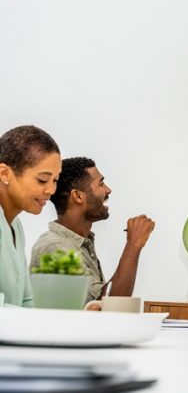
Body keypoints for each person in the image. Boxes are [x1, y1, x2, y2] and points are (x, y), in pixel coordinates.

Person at [30, 157, 155, 303]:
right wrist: (133, 245)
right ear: (77, 196)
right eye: (101, 183)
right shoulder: (56, 248)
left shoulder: (80, 244)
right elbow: (108, 308)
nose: (108, 190)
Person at [0, 125, 61, 307]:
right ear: (4, 173)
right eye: (42, 179)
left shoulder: (15, 227)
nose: (51, 190)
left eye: (55, 180)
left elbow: (26, 301)